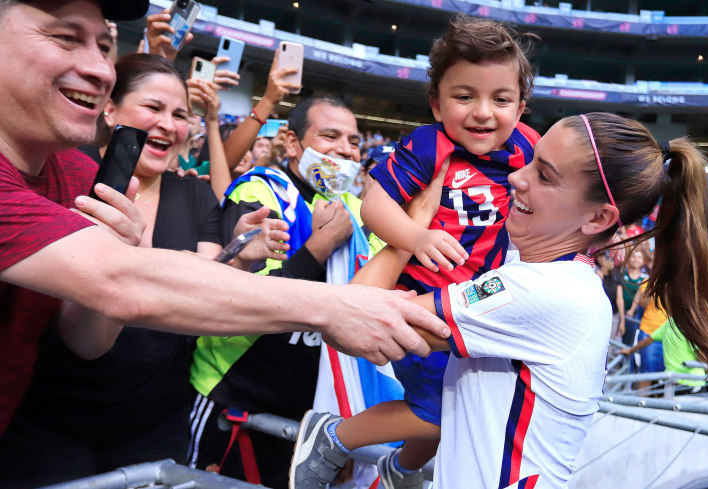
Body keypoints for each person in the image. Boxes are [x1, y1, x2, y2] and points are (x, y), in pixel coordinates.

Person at [0, 0, 449, 438]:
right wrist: (333, 306)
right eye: (64, 38)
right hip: (187, 404)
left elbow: (91, 335)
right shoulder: (259, 190)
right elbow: (122, 285)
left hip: (154, 418)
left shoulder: (80, 175)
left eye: (102, 47)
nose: (100, 68)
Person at [291, 112, 708, 489]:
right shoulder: (542, 276)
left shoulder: (546, 292)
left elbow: (352, 314)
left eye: (544, 174)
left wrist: (410, 230)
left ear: (599, 218)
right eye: (532, 161)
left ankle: (338, 439)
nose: (517, 177)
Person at [0, 53, 289, 487]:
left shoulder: (196, 196)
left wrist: (242, 255)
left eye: (180, 115)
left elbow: (203, 286)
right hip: (51, 418)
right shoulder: (68, 178)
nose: (168, 125)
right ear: (110, 109)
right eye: (153, 108)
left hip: (157, 420)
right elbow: (107, 299)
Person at [325, 15, 540, 486]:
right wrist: (416, 237)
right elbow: (373, 206)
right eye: (464, 96)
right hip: (418, 299)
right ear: (436, 104)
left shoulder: (528, 147)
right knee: (439, 411)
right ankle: (334, 437)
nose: (483, 112)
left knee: (456, 409)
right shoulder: (430, 144)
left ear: (521, 108)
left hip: (472, 305)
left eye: (500, 99)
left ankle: (400, 469)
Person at [187, 95, 382, 489]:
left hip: (312, 415)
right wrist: (319, 248)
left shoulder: (358, 212)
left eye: (354, 141)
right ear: (293, 143)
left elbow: (374, 295)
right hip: (236, 401)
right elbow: (245, 300)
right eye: (330, 136)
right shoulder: (258, 192)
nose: (344, 149)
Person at [620, 318, 707, 395]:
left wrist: (630, 350)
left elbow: (648, 340)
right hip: (693, 383)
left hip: (672, 382)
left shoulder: (669, 324)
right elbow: (702, 356)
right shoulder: (691, 329)